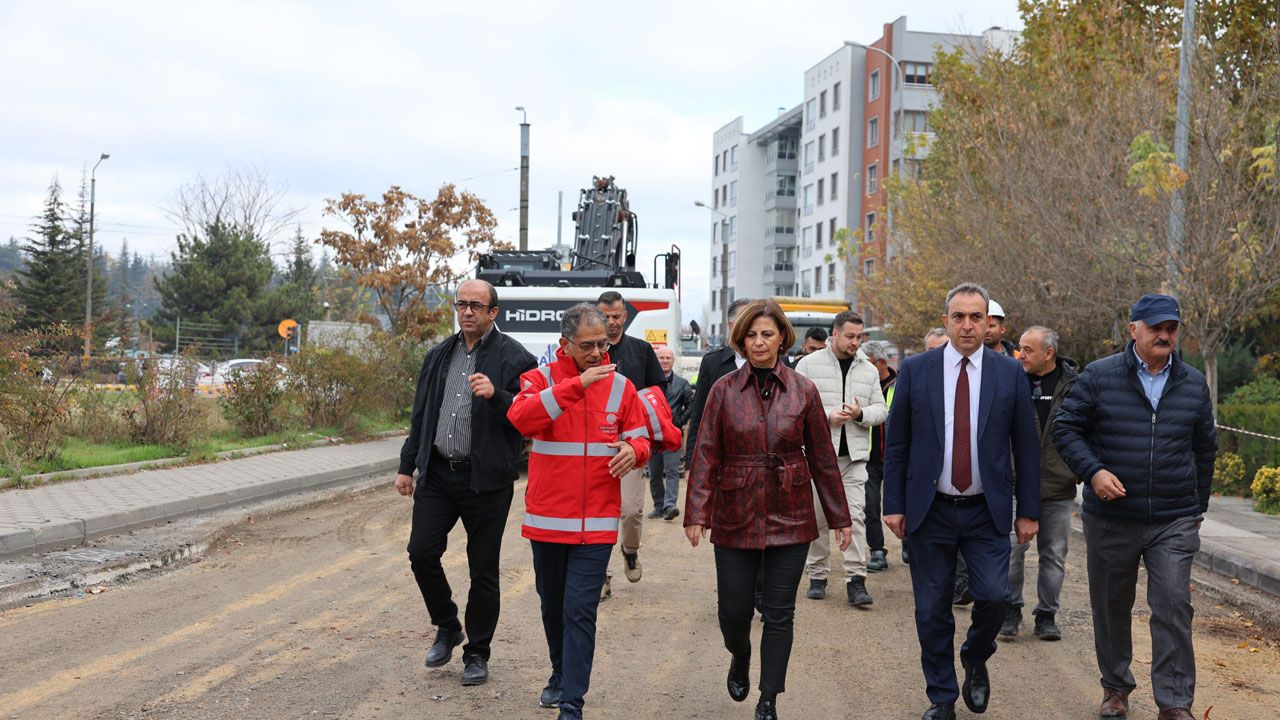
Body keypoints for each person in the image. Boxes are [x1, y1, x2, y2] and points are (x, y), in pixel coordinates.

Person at [1051, 294, 1216, 720]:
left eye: (1171, 328)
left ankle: (1175, 703)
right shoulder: (1100, 375)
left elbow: (1205, 449)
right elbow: (1065, 429)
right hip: (1112, 518)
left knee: (1173, 606)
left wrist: (1196, 507)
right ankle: (1115, 687)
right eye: (1156, 327)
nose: (1164, 335)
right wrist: (1094, 472)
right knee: (1111, 606)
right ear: (1133, 329)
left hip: (1173, 519)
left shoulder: (1193, 383)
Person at [684, 300, 852, 720]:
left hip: (790, 513)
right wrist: (697, 512)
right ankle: (739, 653)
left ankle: (768, 699)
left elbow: (823, 458)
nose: (759, 342)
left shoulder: (803, 390)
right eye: (751, 335)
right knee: (734, 612)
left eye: (767, 334)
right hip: (735, 512)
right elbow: (705, 454)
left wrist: (839, 517)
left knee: (780, 614)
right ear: (741, 341)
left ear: (782, 339)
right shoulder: (723, 390)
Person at [882, 283, 1040, 720]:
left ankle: (975, 656)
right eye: (959, 316)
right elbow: (897, 443)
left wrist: (1029, 510)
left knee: (994, 596)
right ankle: (941, 696)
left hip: (985, 510)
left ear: (989, 322)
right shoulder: (917, 370)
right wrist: (893, 503)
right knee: (932, 610)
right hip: (930, 509)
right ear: (946, 320)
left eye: (976, 317)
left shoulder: (1009, 373)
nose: (967, 325)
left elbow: (1026, 447)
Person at [507, 303, 653, 720]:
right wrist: (576, 386)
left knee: (580, 612)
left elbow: (642, 438)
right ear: (564, 344)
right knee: (553, 608)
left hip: (598, 525)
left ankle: (572, 703)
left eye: (602, 344)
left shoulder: (622, 386)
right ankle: (559, 672)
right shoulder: (540, 379)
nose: (597, 353)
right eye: (587, 346)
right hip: (549, 522)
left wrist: (634, 449)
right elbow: (521, 418)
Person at [395, 279, 537, 686]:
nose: (468, 312)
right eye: (462, 304)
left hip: (486, 480)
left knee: (483, 570)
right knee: (421, 552)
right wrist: (407, 465)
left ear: (494, 312)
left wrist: (497, 395)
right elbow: (421, 414)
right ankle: (447, 625)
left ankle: (477, 652)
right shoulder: (440, 354)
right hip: (439, 473)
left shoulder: (516, 358)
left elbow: (529, 416)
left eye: (476, 305)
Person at [796, 311, 887, 606]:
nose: (855, 342)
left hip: (854, 458)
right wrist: (827, 416)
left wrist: (860, 414)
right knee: (817, 518)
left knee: (855, 517)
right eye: (850, 336)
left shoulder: (868, 370)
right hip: (817, 457)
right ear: (834, 334)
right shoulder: (808, 365)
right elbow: (795, 407)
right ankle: (817, 575)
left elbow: (881, 410)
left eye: (859, 337)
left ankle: (856, 580)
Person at [1000, 326, 1079, 641]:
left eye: (1028, 350)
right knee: (1011, 550)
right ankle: (1010, 610)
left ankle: (1047, 615)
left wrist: (1077, 471)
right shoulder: (1010, 380)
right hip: (1016, 483)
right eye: (1019, 348)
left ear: (1049, 353)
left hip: (1059, 486)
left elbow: (1089, 429)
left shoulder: (1075, 386)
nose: (1020, 355)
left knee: (1054, 554)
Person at [596, 291, 665, 596]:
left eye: (616, 316)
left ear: (625, 315)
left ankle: (630, 550)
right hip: (594, 443)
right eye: (605, 316)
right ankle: (600, 575)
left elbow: (658, 391)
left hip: (630, 443)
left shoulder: (641, 350)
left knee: (630, 510)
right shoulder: (588, 350)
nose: (611, 322)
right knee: (597, 515)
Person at [685, 297, 755, 468]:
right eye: (746, 320)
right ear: (732, 326)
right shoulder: (712, 363)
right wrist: (691, 464)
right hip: (722, 460)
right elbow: (699, 416)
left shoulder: (773, 363)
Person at [646, 346, 694, 521]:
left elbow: (692, 403)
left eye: (668, 358)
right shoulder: (649, 382)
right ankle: (658, 506)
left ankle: (670, 506)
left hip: (672, 435)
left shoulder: (682, 383)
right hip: (654, 436)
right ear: (656, 360)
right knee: (654, 474)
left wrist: (680, 420)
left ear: (673, 361)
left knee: (673, 471)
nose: (665, 361)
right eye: (661, 358)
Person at [861, 340, 897, 573]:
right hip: (870, 459)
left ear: (881, 363)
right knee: (870, 506)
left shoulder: (902, 384)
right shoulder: (861, 385)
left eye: (867, 363)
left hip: (897, 459)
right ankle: (877, 550)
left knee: (905, 505)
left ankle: (909, 544)